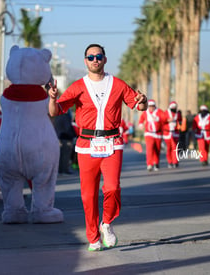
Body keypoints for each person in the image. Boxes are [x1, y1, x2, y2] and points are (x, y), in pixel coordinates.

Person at [48, 43, 147, 251]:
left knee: (112, 187)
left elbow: (138, 105)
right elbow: (55, 111)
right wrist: (52, 98)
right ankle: (93, 238)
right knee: (88, 195)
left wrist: (144, 101)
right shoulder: (77, 86)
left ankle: (107, 223)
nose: (95, 60)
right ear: (85, 61)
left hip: (112, 143)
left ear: (105, 59)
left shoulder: (118, 84)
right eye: (91, 57)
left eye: (98, 56)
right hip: (86, 145)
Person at [138, 99, 165, 171]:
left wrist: (158, 119)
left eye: (153, 106)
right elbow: (141, 119)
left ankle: (156, 163)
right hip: (149, 133)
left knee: (157, 149)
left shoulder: (159, 111)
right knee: (149, 149)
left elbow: (164, 119)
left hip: (158, 134)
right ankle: (149, 164)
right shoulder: (146, 112)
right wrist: (140, 124)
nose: (151, 107)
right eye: (150, 106)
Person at [54, 109, 77, 175]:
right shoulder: (65, 116)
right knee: (65, 156)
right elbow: (68, 128)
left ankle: (59, 170)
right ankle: (64, 170)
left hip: (58, 137)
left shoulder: (57, 116)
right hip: (66, 138)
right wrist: (72, 136)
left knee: (59, 155)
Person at [162, 101, 182, 168]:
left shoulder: (178, 113)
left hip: (175, 132)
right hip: (167, 133)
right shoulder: (166, 113)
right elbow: (162, 120)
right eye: (173, 107)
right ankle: (170, 161)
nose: (174, 108)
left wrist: (179, 125)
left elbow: (180, 121)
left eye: (175, 107)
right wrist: (167, 120)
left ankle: (175, 162)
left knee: (175, 147)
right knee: (169, 148)